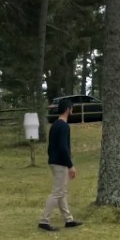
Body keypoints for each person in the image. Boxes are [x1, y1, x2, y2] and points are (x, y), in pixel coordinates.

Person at [39, 98, 82, 232]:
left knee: (62, 192)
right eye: (72, 108)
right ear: (68, 109)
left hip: (54, 161)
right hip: (60, 163)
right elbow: (63, 147)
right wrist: (70, 165)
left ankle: (68, 220)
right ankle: (44, 221)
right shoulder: (64, 126)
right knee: (57, 192)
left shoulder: (54, 125)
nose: (72, 110)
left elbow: (51, 147)